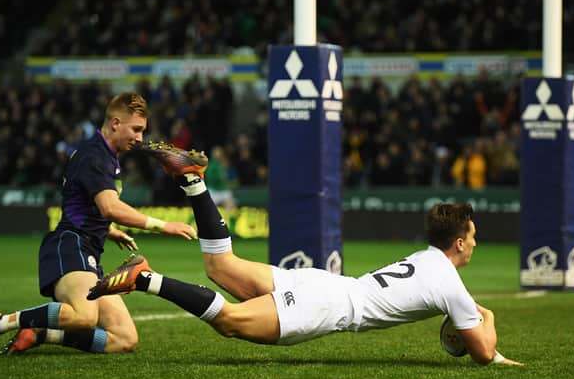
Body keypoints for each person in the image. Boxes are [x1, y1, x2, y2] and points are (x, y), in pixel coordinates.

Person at [87, 146, 522, 366]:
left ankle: (194, 183)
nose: (476, 242)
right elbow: (483, 352)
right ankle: (144, 279)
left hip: (323, 283)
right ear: (460, 243)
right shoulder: (450, 282)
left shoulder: (427, 258)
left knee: (220, 266)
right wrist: (489, 316)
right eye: (474, 235)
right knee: (231, 323)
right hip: (327, 305)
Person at [0, 92, 200, 356]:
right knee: (84, 317)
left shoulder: (105, 156)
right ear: (116, 123)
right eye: (137, 129)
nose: (140, 138)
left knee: (125, 339)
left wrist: (107, 230)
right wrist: (164, 226)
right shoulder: (95, 156)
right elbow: (110, 207)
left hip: (88, 250)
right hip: (70, 245)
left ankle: (42, 332)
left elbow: (85, 203)